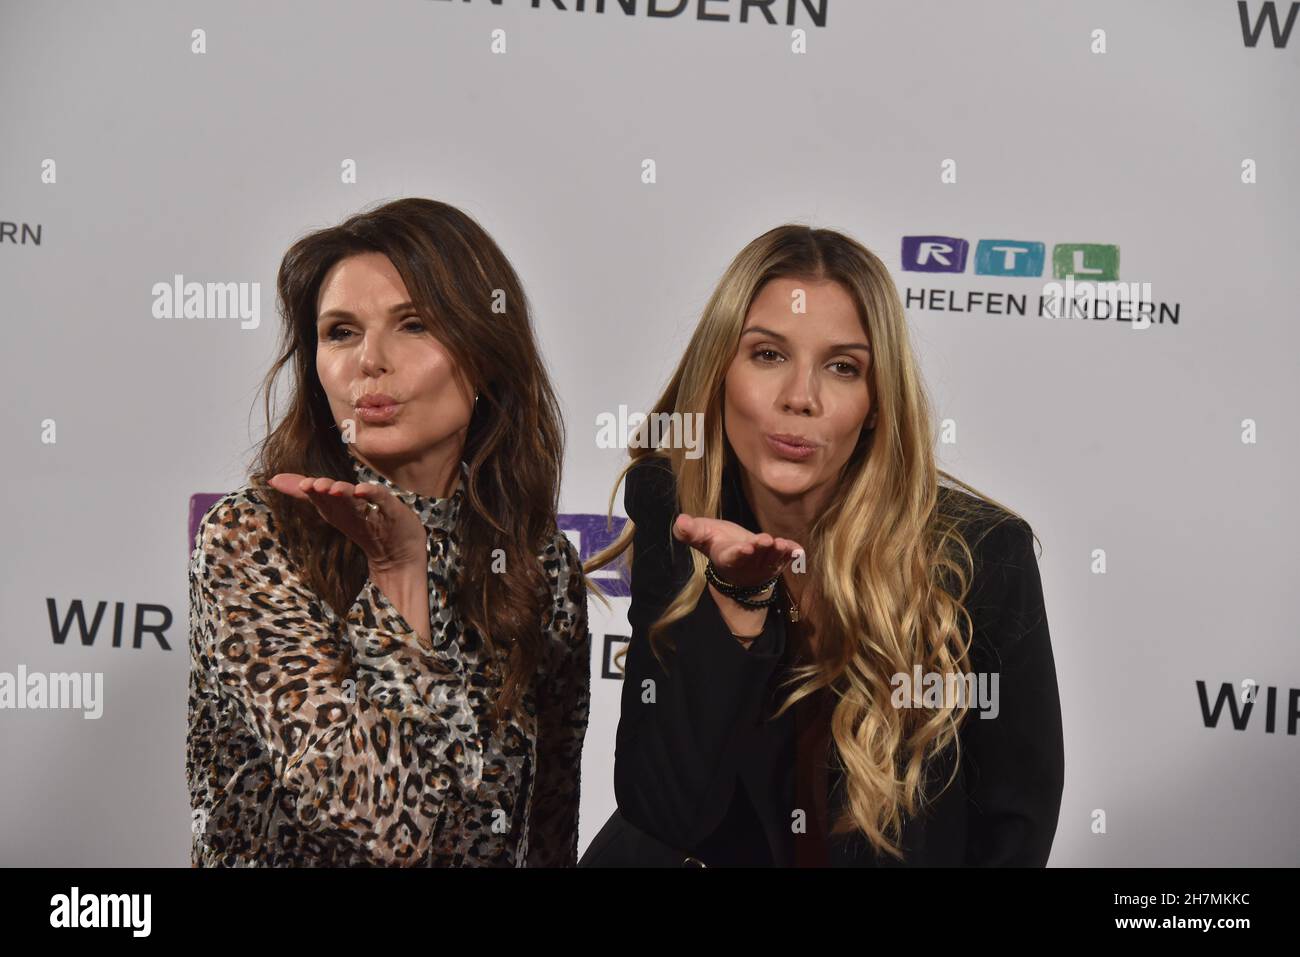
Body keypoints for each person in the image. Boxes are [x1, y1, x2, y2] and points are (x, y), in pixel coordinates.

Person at [579, 224, 1064, 867]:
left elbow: (1016, 824)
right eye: (768, 355)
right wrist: (735, 603)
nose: (800, 398)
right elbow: (668, 809)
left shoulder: (978, 555)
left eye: (842, 367)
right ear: (720, 372)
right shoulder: (679, 511)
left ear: (874, 403)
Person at [187, 198, 590, 867]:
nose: (370, 360)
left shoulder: (538, 561)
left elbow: (548, 828)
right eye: (340, 332)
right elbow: (384, 823)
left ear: (486, 352)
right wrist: (400, 578)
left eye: (414, 325)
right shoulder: (254, 537)